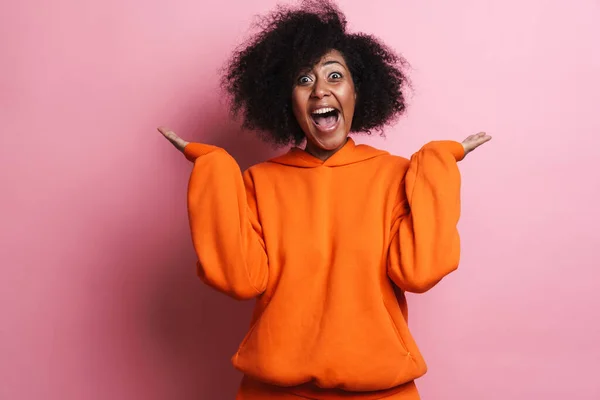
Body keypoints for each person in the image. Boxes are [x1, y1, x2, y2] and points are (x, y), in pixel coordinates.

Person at [159, 1, 491, 399]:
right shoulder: (259, 183)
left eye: (335, 75)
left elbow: (419, 271)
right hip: (273, 392)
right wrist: (214, 168)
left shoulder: (397, 176)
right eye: (304, 79)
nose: (321, 90)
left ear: (358, 90)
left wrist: (437, 163)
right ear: (287, 100)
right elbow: (240, 278)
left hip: (383, 391)